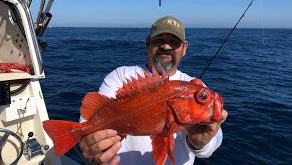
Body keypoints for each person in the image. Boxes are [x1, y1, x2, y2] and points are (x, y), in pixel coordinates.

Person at [79, 16, 228, 165]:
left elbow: (213, 143)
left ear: (184, 48)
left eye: (174, 42)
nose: (166, 47)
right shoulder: (120, 76)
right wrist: (91, 146)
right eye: (159, 40)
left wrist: (200, 143)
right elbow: (88, 124)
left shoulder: (196, 86)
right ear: (148, 44)